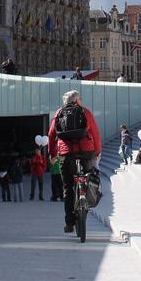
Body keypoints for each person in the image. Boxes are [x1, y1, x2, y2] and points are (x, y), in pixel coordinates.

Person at [48, 90, 102, 234]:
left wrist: (52, 154)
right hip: (86, 151)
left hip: (66, 153)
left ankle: (70, 223)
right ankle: (86, 198)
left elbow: (51, 134)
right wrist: (97, 152)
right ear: (77, 100)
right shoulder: (85, 112)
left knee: (68, 187)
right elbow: (95, 132)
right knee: (90, 177)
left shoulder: (59, 112)